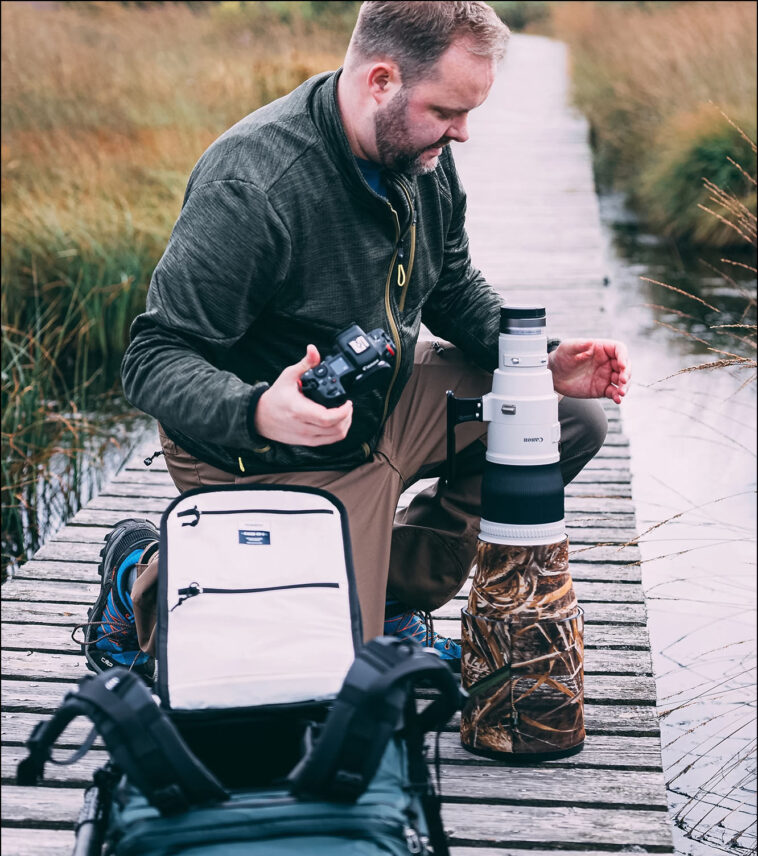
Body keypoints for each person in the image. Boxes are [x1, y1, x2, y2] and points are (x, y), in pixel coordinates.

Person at [83, 0, 630, 681]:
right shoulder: (252, 184)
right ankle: (146, 574)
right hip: (263, 446)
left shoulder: (419, 150)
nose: (462, 134)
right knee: (335, 674)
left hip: (385, 399)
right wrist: (259, 410)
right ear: (381, 81)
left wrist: (536, 363)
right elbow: (153, 358)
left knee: (561, 419)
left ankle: (392, 589)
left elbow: (453, 286)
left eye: (469, 114)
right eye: (447, 112)